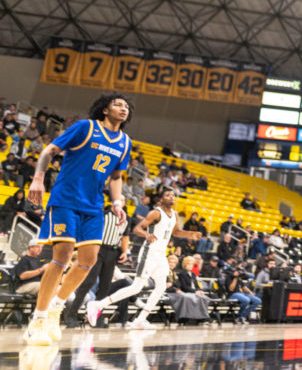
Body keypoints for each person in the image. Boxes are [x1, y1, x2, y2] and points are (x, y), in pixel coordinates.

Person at [24, 94, 133, 346]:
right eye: (118, 104)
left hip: (94, 206)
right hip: (66, 200)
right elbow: (50, 150)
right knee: (61, 257)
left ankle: (56, 307)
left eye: (127, 106)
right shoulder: (86, 127)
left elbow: (116, 176)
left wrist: (117, 202)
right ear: (105, 109)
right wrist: (38, 178)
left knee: (88, 261)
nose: (123, 108)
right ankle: (38, 319)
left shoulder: (125, 142)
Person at [86, 188, 200, 329]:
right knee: (136, 287)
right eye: (168, 195)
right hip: (149, 252)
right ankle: (97, 305)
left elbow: (176, 232)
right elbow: (137, 229)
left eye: (173, 195)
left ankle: (140, 319)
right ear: (161, 199)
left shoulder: (175, 215)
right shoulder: (155, 213)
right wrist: (146, 235)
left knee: (161, 286)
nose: (171, 197)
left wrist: (191, 234)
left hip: (161, 255)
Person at [65, 202, 129, 327]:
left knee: (105, 287)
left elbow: (125, 237)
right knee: (88, 282)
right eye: (118, 199)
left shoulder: (126, 219)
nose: (120, 202)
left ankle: (97, 317)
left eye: (123, 200)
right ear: (113, 203)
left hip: (112, 252)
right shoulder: (103, 215)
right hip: (98, 249)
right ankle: (71, 315)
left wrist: (125, 252)